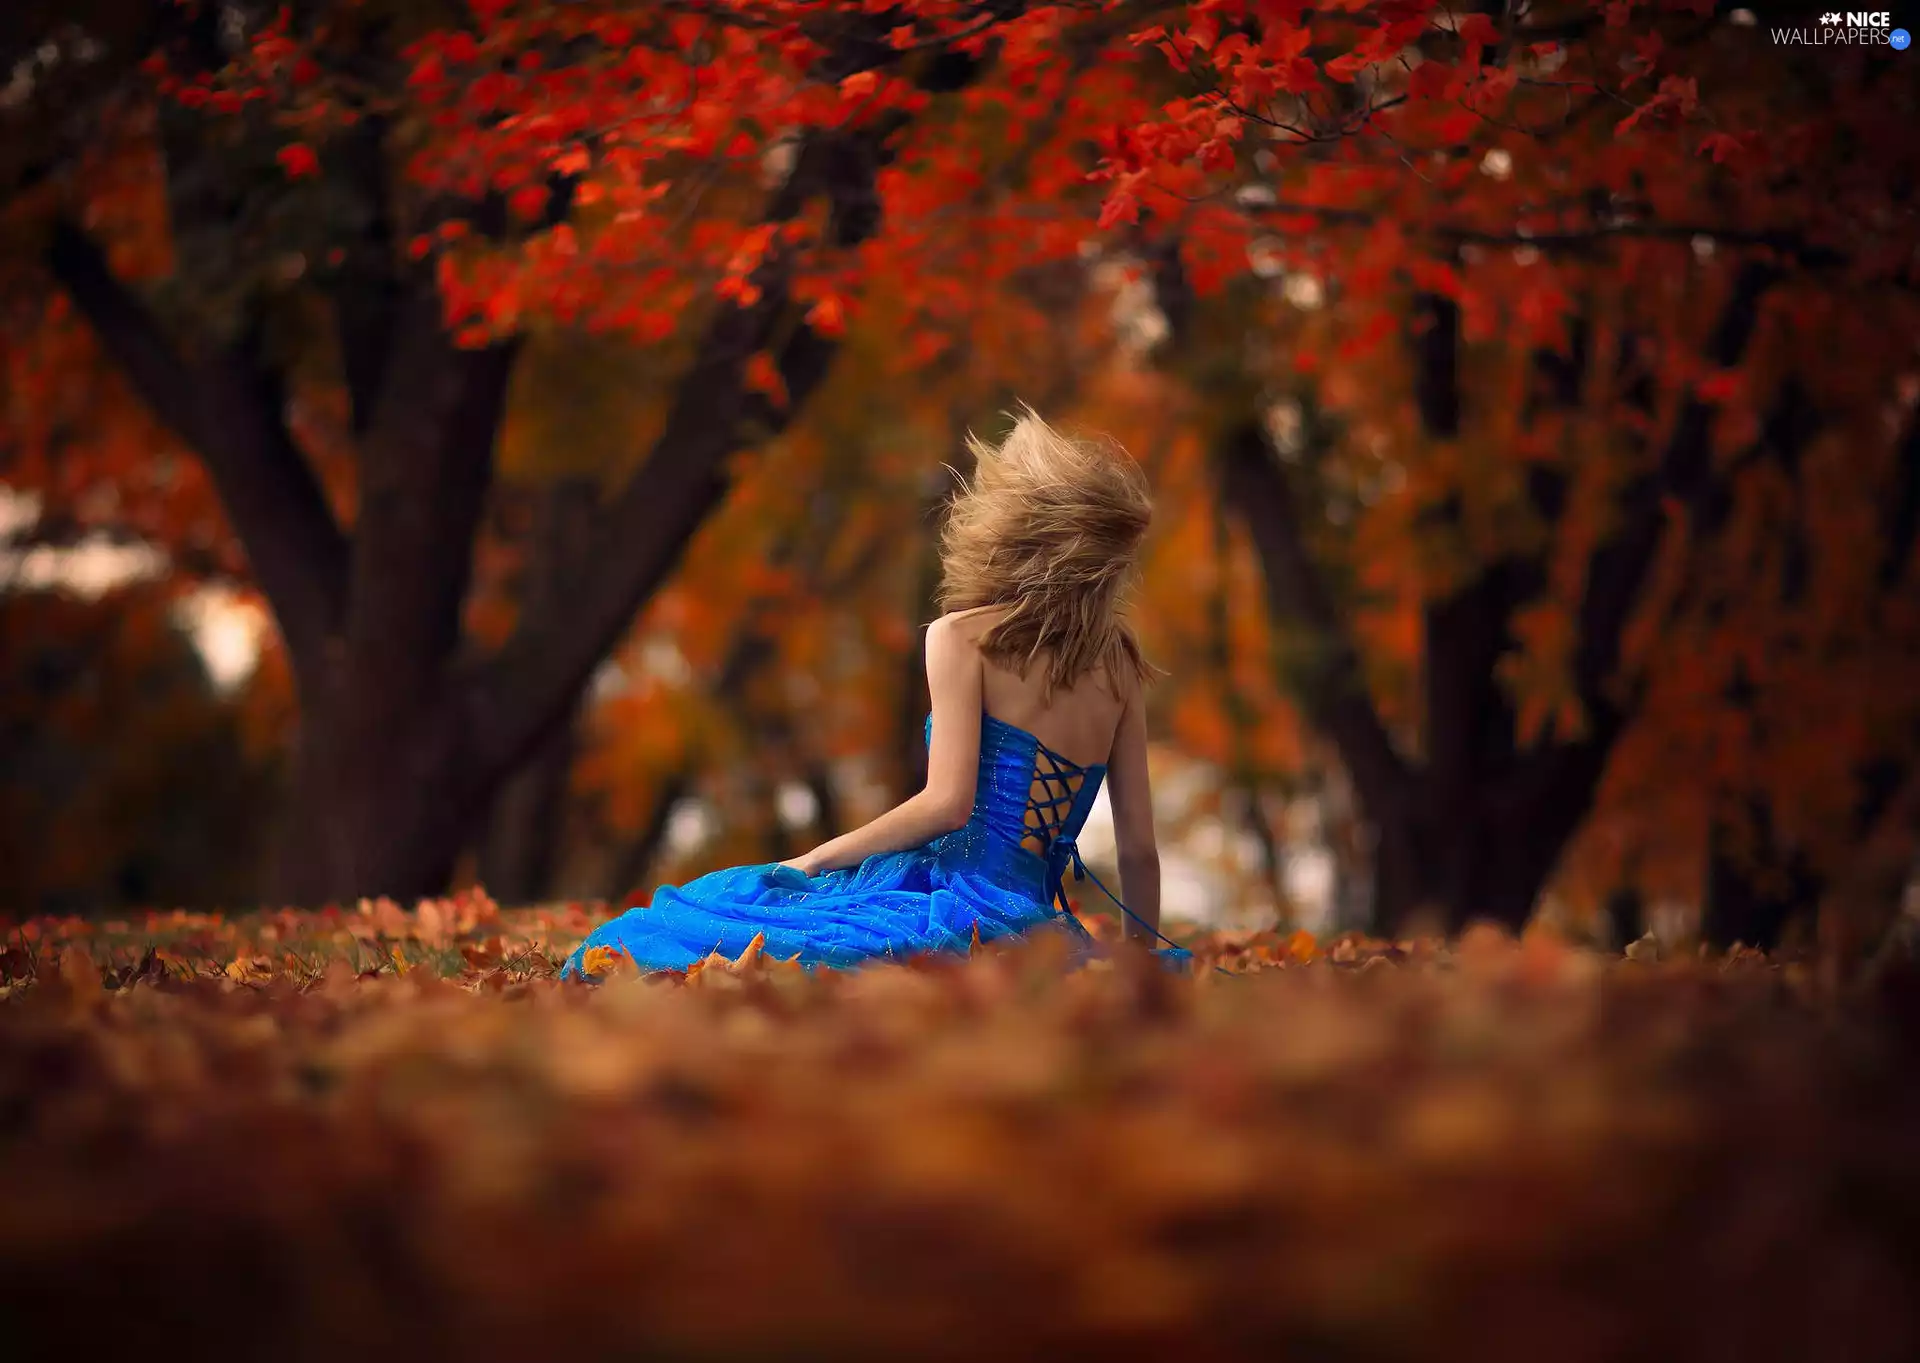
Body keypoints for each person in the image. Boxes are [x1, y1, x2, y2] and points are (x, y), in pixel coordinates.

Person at [560, 407, 1191, 979]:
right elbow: (1138, 848)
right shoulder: (1119, 667)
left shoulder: (962, 638)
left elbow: (947, 805)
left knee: (711, 914)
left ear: (1013, 530)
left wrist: (816, 859)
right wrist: (1140, 966)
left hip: (953, 901)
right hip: (1036, 926)